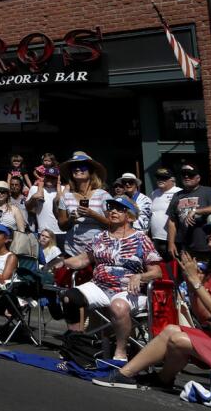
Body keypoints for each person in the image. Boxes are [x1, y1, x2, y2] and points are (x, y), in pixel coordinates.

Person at [96, 223, 211, 393]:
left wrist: (196, 282)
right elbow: (205, 316)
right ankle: (148, 377)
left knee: (178, 338)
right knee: (172, 330)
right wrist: (190, 282)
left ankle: (130, 375)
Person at [56, 196, 162, 363]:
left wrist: (140, 276)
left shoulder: (141, 239)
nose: (113, 211)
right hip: (99, 286)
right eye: (111, 207)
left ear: (130, 216)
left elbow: (157, 272)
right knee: (70, 297)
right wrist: (62, 262)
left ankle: (121, 352)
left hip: (129, 290)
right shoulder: (100, 237)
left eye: (120, 209)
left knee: (118, 307)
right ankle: (76, 345)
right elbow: (84, 259)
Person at [165, 162, 211, 261]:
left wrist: (196, 211)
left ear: (198, 178)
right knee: (190, 274)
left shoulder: (208, 191)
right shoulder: (177, 196)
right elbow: (172, 221)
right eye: (184, 174)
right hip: (186, 246)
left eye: (190, 175)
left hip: (207, 245)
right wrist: (171, 243)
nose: (186, 177)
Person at [56, 151, 110, 255]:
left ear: (91, 171)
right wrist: (71, 220)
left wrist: (92, 214)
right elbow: (62, 226)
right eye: (74, 167)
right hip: (72, 252)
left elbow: (113, 224)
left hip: (99, 253)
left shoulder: (103, 195)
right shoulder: (66, 197)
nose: (77, 169)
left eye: (82, 166)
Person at [148, 165, 180, 260]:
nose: (160, 180)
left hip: (171, 240)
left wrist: (172, 242)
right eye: (158, 177)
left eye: (164, 178)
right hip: (156, 238)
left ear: (172, 180)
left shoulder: (179, 192)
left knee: (174, 269)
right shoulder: (154, 193)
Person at [27, 156, 62, 238]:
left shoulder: (62, 189)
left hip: (62, 232)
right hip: (43, 233)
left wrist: (59, 188)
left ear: (57, 178)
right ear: (44, 176)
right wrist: (33, 198)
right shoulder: (34, 189)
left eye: (53, 178)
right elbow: (28, 208)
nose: (50, 179)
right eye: (48, 177)